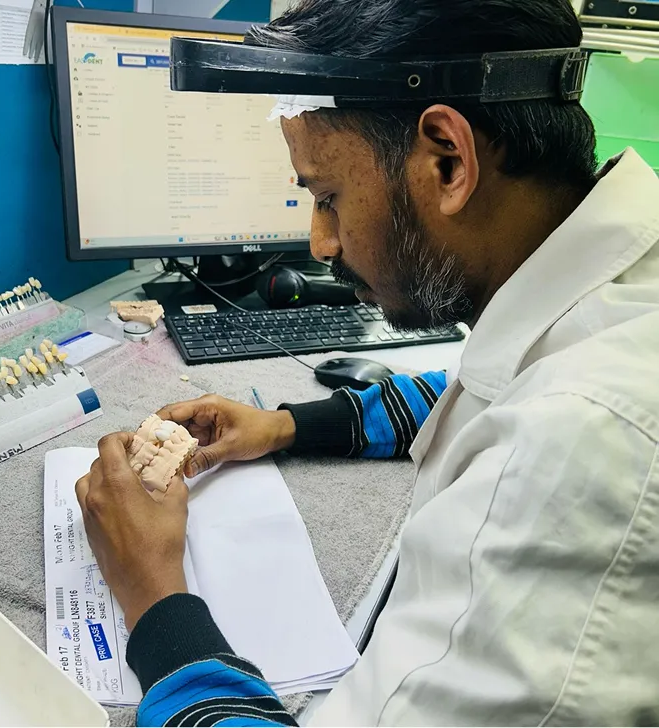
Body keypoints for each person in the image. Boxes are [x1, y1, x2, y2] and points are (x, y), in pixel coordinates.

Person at [75, 0, 659, 724]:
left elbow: (540, 417)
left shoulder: (576, 451)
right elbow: (473, 387)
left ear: (447, 158)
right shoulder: (607, 289)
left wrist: (154, 599)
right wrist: (286, 425)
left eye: (327, 196)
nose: (320, 242)